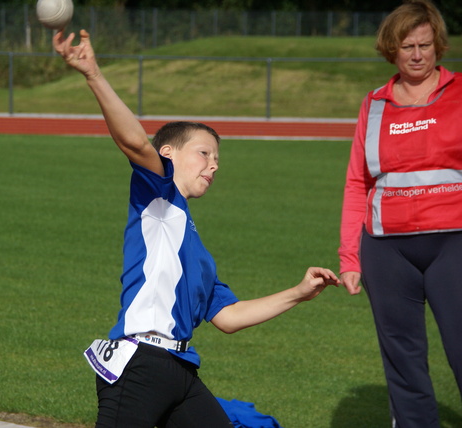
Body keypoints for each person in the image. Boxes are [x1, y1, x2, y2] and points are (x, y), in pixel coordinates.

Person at [53, 29, 338, 428]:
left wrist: (300, 292)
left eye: (218, 158)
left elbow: (229, 317)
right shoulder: (159, 197)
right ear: (167, 154)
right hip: (141, 363)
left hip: (181, 374)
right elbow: (135, 144)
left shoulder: (197, 252)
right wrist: (93, 74)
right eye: (204, 153)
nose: (214, 164)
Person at [337, 1, 462, 427]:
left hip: (453, 243)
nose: (416, 55)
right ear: (391, 49)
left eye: (425, 45)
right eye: (406, 45)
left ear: (438, 45)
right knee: (403, 360)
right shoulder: (373, 105)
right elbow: (358, 183)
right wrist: (350, 258)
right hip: (387, 252)